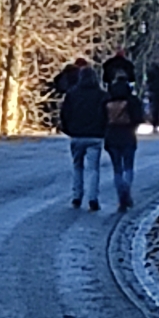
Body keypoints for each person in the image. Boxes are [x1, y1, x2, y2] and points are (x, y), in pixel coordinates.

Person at [60, 65, 107, 210]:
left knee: (77, 166)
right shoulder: (102, 95)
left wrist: (69, 130)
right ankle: (93, 198)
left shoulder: (72, 94)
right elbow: (106, 116)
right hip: (95, 136)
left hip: (77, 136)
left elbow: (64, 115)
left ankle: (76, 196)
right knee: (93, 169)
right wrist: (103, 130)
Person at [103, 73, 144, 211]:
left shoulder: (107, 101)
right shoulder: (132, 101)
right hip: (128, 135)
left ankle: (121, 194)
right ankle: (126, 189)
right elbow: (138, 118)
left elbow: (102, 119)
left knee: (117, 168)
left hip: (112, 136)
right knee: (129, 166)